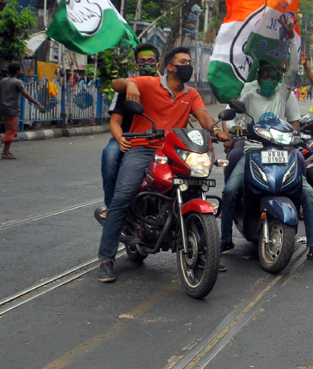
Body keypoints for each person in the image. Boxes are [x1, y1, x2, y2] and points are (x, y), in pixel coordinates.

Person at [96, 47, 231, 283]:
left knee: (194, 187)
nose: (187, 65)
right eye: (182, 61)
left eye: (189, 61)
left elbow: (203, 116)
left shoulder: (192, 94)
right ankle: (106, 259)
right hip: (142, 147)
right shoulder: (148, 83)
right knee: (123, 195)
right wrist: (130, 85)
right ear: (169, 66)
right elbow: (116, 83)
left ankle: (207, 251)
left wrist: (216, 130)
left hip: (173, 149)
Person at [219, 20, 313, 264]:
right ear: (259, 78)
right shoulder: (248, 96)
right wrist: (234, 129)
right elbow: (233, 118)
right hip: (253, 152)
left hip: (282, 152)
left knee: (308, 193)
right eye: (266, 76)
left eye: (274, 76)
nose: (271, 79)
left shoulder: (283, 93)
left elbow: (292, 69)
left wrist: (291, 40)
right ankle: (224, 238)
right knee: (229, 190)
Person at [99, 43, 160, 218]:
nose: (146, 64)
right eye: (142, 61)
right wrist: (120, 139)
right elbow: (115, 122)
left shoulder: (167, 88)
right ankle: (111, 205)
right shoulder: (126, 88)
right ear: (136, 65)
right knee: (110, 155)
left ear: (158, 64)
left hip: (158, 139)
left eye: (151, 60)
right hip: (128, 137)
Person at [0, 62, 46, 160]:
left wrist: (5, 99)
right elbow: (27, 95)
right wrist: (38, 104)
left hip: (4, 109)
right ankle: (5, 152)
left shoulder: (3, 81)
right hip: (13, 110)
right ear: (17, 70)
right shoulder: (18, 82)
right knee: (11, 131)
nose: (21, 71)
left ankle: (7, 151)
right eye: (20, 69)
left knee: (11, 129)